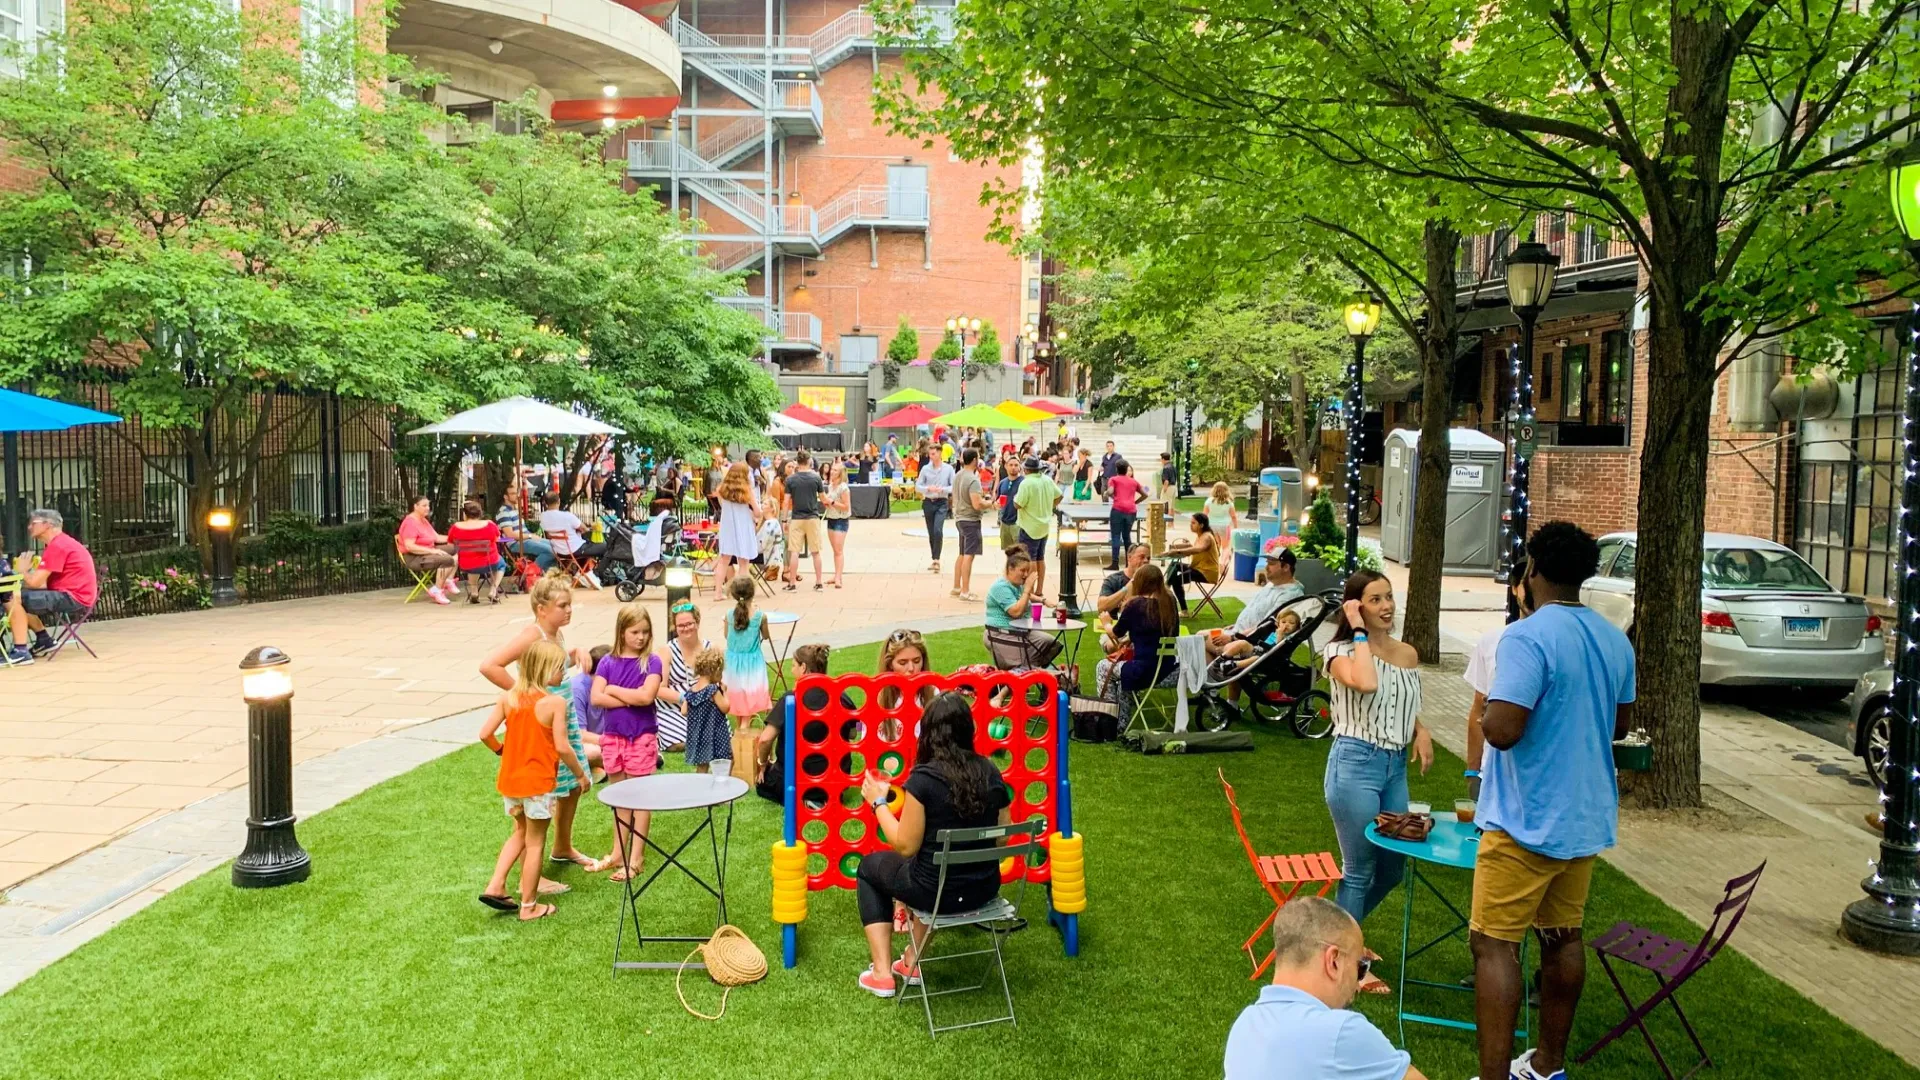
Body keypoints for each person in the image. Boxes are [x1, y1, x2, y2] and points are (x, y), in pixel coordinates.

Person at [1473, 522, 1636, 1080]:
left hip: (1526, 819)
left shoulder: (1527, 636)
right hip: (1585, 817)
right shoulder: (1614, 637)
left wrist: (1499, 702)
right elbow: (1621, 720)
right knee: (1563, 937)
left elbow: (1501, 729)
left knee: (1493, 946)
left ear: (1532, 569)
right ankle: (1546, 1066)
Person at [853, 691, 1014, 997]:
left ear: (927, 733)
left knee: (870, 868)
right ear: (969, 729)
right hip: (983, 889)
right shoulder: (991, 772)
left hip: (937, 892)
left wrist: (877, 803)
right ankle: (911, 962)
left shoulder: (924, 779)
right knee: (933, 870)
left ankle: (882, 973)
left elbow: (904, 846)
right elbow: (1003, 836)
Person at [1323, 571, 1433, 950]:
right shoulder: (1338, 653)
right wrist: (1357, 631)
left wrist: (1420, 730)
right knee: (1359, 870)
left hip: (1394, 768)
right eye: (1374, 600)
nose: (1386, 607)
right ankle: (1345, 956)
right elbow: (1368, 683)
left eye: (1388, 597)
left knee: (1392, 868)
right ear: (1356, 606)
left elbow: (1400, 699)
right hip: (1355, 764)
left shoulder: (1407, 654)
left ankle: (1333, 941)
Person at [1223, 895, 1425, 1080]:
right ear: (1334, 961)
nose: (1357, 984)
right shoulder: (1341, 1031)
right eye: (1361, 967)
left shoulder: (1244, 1025)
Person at [478, 571, 597, 881]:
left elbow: (551, 667)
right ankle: (532, 875)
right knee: (539, 797)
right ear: (541, 608)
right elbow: (489, 666)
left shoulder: (555, 633)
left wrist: (574, 654)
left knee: (568, 787)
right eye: (562, 605)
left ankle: (563, 846)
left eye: (570, 604)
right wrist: (523, 692)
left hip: (563, 719)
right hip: (543, 724)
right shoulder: (532, 635)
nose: (569, 610)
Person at [477, 640, 588, 923]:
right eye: (558, 667)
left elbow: (485, 734)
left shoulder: (509, 698)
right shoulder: (554, 703)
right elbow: (563, 747)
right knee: (536, 842)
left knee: (520, 833)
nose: (563, 673)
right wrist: (580, 774)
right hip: (538, 783)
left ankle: (496, 885)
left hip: (510, 782)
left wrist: (502, 751)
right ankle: (529, 906)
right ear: (543, 669)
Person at [4, 509, 97, 664]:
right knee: (16, 595)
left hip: (73, 598)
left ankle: (20, 651)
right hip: (73, 594)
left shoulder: (57, 546)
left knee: (11, 597)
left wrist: (22, 571)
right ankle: (43, 639)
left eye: (33, 523)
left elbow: (34, 582)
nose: (29, 527)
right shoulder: (59, 543)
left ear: (47, 525)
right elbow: (40, 583)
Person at [1095, 562, 1177, 703]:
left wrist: (1106, 623)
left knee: (1103, 667)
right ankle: (1121, 719)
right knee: (1123, 676)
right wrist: (1132, 638)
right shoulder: (1170, 601)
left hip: (1144, 671)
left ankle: (1108, 715)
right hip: (1170, 668)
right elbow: (1153, 631)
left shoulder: (1136, 604)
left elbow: (1116, 633)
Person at [983, 549, 1062, 671]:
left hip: (1019, 631)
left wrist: (1043, 600)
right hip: (1001, 633)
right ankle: (1025, 671)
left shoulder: (1016, 585)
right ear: (1010, 569)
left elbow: (1026, 596)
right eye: (1022, 571)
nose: (1026, 575)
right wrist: (1027, 588)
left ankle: (1028, 670)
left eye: (1027, 571)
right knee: (1037, 648)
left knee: (1051, 643)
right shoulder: (1000, 588)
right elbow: (1016, 612)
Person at [654, 602, 709, 753]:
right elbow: (658, 689)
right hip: (671, 708)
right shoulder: (666, 651)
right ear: (675, 627)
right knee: (681, 740)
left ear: (697, 622)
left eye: (689, 623)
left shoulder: (708, 648)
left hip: (702, 707)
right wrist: (684, 698)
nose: (686, 628)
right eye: (681, 625)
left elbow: (718, 682)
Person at [723, 575, 774, 735]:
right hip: (752, 663)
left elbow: (727, 636)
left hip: (732, 663)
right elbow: (766, 636)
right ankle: (743, 734)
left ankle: (740, 733)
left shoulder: (729, 615)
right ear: (753, 593)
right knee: (747, 702)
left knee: (739, 700)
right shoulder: (760, 616)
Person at [1012, 457, 1061, 596]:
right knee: (1040, 558)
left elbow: (1018, 504)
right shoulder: (1047, 480)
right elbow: (1059, 496)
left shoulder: (1026, 483)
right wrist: (1049, 506)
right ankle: (1039, 590)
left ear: (1026, 469)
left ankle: (1030, 591)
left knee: (1030, 559)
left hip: (1029, 526)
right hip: (1044, 525)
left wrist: (1015, 499)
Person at [679, 648, 732, 776]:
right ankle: (723, 785)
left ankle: (700, 788)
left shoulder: (691, 691)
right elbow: (725, 708)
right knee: (725, 761)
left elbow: (684, 711)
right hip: (715, 734)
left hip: (699, 735)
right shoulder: (712, 690)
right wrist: (724, 692)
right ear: (715, 671)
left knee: (702, 765)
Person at [396, 495, 457, 605]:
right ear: (415, 506)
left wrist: (456, 537)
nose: (428, 508)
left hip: (428, 550)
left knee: (458, 548)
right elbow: (410, 546)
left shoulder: (423, 520)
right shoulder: (410, 523)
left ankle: (448, 579)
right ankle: (437, 590)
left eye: (428, 505)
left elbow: (436, 537)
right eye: (424, 506)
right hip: (414, 557)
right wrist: (433, 551)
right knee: (447, 559)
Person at [712, 462, 761, 600]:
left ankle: (717, 593)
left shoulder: (721, 489)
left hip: (727, 526)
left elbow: (722, 504)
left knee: (724, 560)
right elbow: (757, 512)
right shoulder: (747, 491)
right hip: (743, 526)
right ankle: (742, 594)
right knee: (743, 561)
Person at [538, 492, 605, 587]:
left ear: (545, 503)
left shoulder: (543, 517)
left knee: (586, 547)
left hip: (559, 551)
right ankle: (591, 573)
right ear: (559, 501)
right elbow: (584, 528)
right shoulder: (567, 516)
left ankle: (582, 573)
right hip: (575, 550)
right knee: (605, 546)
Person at [1162, 511, 1223, 615]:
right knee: (1174, 565)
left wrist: (1176, 551)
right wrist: (1177, 548)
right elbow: (1194, 548)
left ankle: (1182, 609)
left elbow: (1198, 549)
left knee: (1176, 580)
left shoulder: (1207, 537)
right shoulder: (1201, 535)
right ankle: (1166, 587)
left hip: (1206, 573)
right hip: (1198, 568)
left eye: (1193, 523)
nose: (1191, 525)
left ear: (1201, 525)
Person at [784, 450, 828, 592]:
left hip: (797, 518)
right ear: (809, 462)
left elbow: (786, 502)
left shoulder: (790, 479)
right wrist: (831, 502)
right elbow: (823, 498)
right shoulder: (816, 478)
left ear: (797, 462)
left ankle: (792, 583)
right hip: (812, 517)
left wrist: (785, 520)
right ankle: (819, 581)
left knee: (794, 551)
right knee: (816, 551)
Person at [447, 500, 506, 604]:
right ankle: (493, 590)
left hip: (466, 565)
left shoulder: (456, 527)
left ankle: (474, 592)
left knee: (472, 564)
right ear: (480, 513)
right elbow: (497, 538)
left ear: (464, 514)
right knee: (501, 564)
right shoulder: (489, 524)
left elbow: (450, 544)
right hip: (490, 563)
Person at [949, 447, 988, 602]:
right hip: (970, 519)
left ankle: (957, 586)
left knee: (962, 552)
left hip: (959, 517)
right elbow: (977, 504)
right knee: (968, 555)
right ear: (974, 460)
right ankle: (965, 590)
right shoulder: (972, 479)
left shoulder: (958, 475)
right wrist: (990, 504)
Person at [495, 479, 555, 572]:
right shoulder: (504, 512)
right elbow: (510, 535)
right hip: (516, 543)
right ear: (505, 497)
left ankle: (549, 577)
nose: (517, 496)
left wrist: (531, 537)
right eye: (513, 494)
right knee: (550, 551)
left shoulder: (513, 510)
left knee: (557, 547)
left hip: (525, 540)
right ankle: (529, 574)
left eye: (516, 493)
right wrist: (530, 536)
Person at [916, 446, 955, 576]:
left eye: (933, 454)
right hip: (928, 502)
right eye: (930, 454)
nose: (931, 456)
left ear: (939, 454)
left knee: (938, 530)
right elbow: (918, 486)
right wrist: (928, 488)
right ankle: (934, 558)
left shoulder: (948, 469)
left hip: (941, 502)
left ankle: (937, 559)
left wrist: (943, 490)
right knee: (931, 532)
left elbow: (953, 486)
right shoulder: (925, 469)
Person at [1095, 542, 1152, 618]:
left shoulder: (1152, 581)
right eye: (1141, 557)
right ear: (1129, 557)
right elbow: (1101, 608)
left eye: (1148, 558)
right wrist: (1129, 585)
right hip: (1115, 626)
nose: (1146, 561)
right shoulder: (1114, 580)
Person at [1105, 461, 1144, 570]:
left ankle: (1115, 563)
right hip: (1131, 510)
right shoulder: (1134, 481)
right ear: (1127, 469)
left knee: (1116, 536)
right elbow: (1145, 493)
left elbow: (1110, 491)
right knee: (1127, 537)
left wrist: (1107, 493)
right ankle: (1129, 563)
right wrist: (1136, 502)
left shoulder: (1113, 479)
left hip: (1118, 510)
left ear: (1116, 469)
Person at [824, 460, 853, 589]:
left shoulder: (843, 488)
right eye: (832, 469)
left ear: (840, 473)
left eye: (835, 470)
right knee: (834, 549)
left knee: (838, 549)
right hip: (831, 518)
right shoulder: (830, 486)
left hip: (841, 520)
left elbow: (846, 507)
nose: (832, 471)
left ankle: (838, 577)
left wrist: (832, 502)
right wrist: (826, 502)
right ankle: (836, 574)